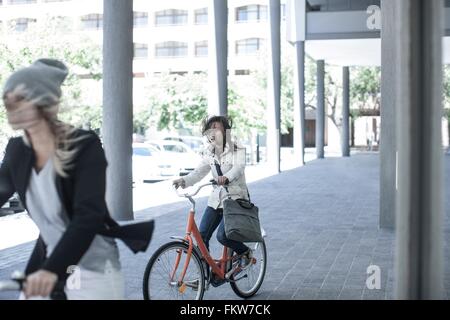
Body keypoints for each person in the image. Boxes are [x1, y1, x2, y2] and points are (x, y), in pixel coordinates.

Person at [0, 59, 154, 300]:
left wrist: (51, 271)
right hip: (50, 260)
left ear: (42, 101)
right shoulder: (17, 150)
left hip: (92, 268)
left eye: (18, 98)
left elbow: (88, 215)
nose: (8, 104)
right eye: (6, 97)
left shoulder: (83, 146)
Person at [173, 116, 253, 270]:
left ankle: (245, 252)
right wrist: (183, 181)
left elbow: (238, 168)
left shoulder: (237, 148)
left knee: (223, 236)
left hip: (235, 199)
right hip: (217, 200)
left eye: (216, 127)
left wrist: (226, 178)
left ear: (225, 130)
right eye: (210, 128)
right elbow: (198, 172)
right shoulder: (209, 153)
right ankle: (205, 273)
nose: (213, 131)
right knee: (201, 237)